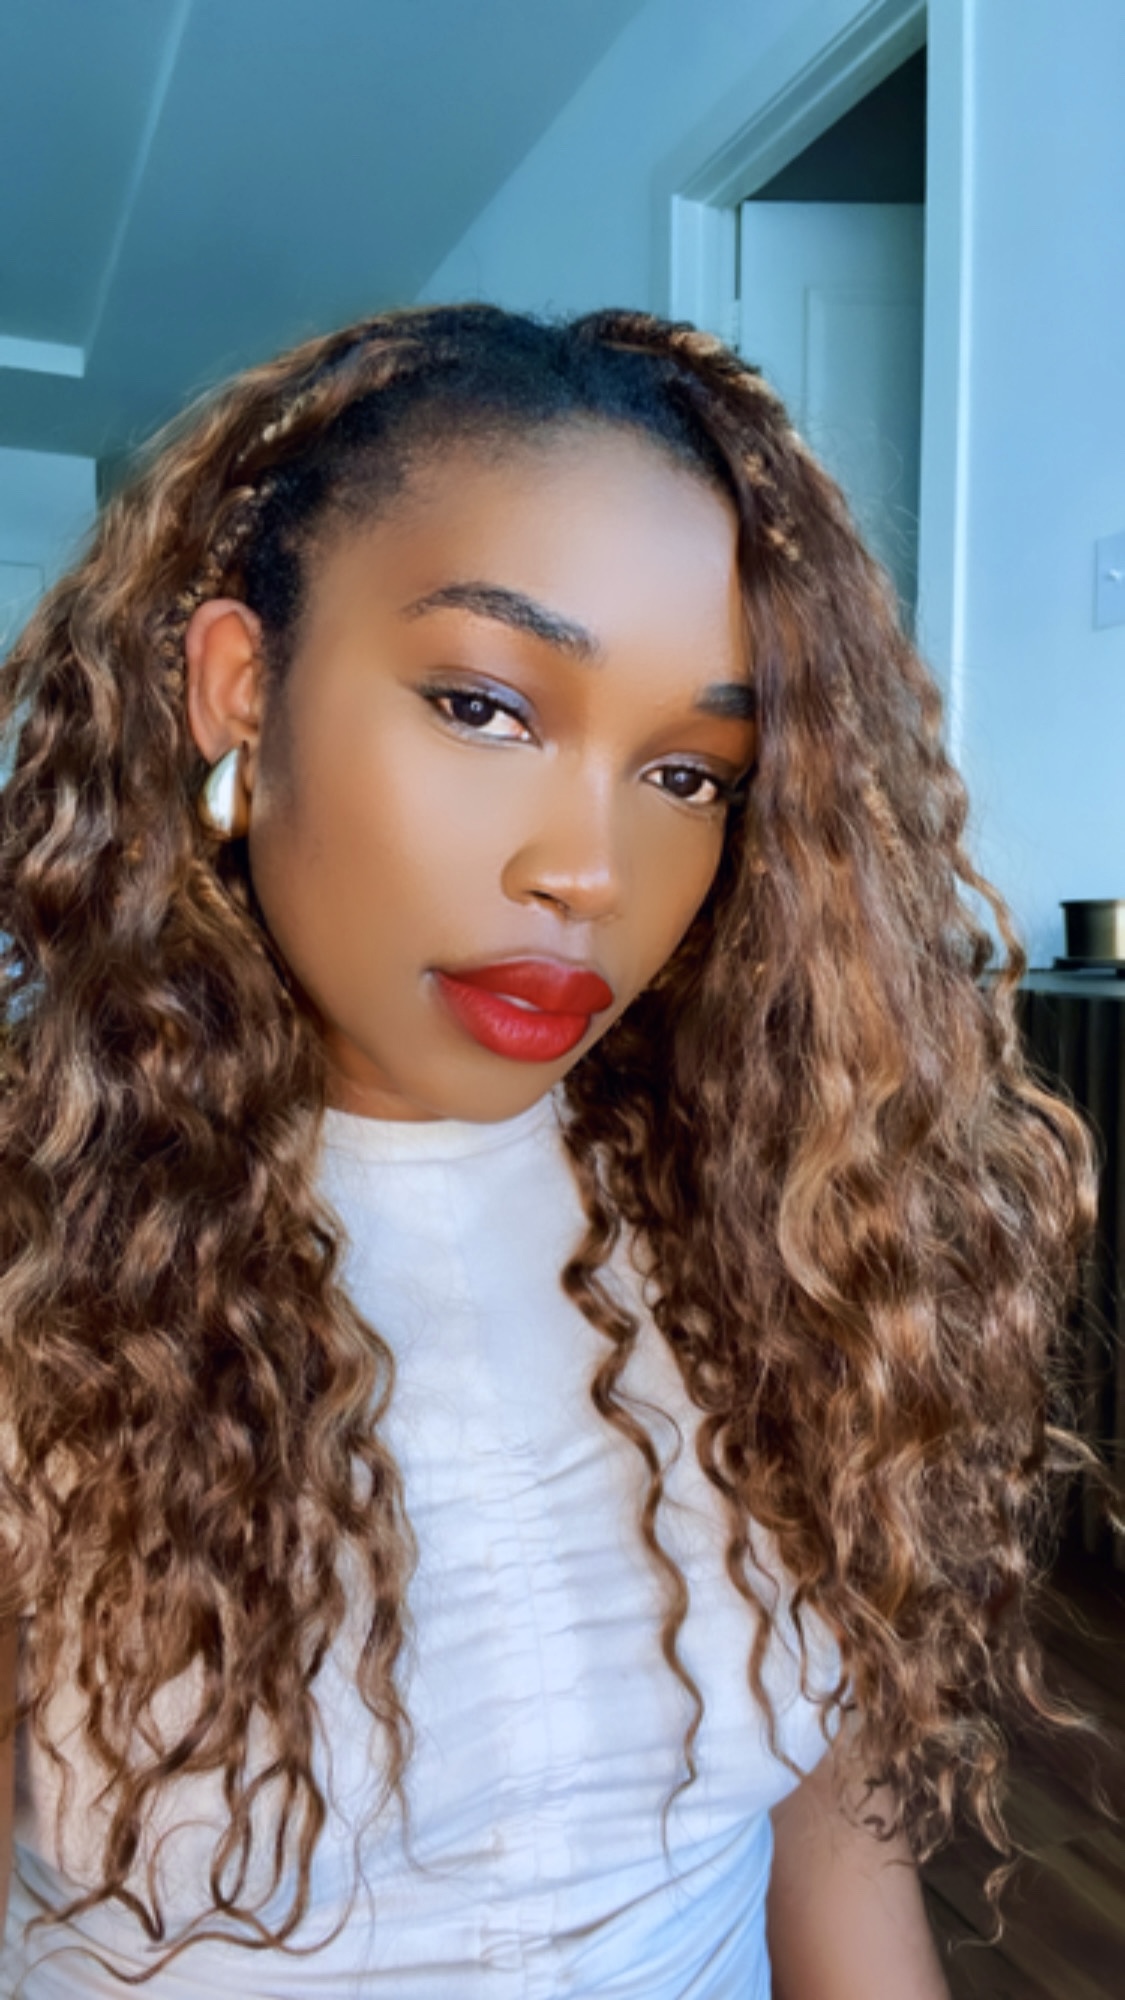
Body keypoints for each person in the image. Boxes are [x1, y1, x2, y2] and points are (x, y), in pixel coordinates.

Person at [0, 304, 1094, 1997]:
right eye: (485, 706)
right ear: (239, 688)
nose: (588, 867)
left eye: (689, 772)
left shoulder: (787, 1218)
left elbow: (831, 1851)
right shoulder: (40, 1262)